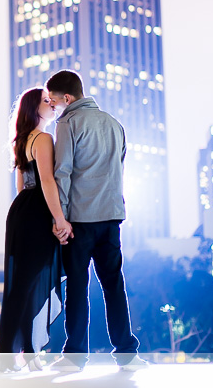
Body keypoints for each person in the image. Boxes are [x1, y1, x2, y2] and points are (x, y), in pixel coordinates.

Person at [46, 70, 148, 372]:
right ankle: (128, 354)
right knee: (114, 285)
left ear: (67, 98)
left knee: (77, 286)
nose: (54, 108)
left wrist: (59, 218)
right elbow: (119, 165)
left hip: (80, 219)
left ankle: (75, 357)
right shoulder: (115, 123)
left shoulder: (68, 123)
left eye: (54, 102)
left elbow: (62, 171)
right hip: (112, 216)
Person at [0, 87, 73, 372]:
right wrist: (59, 219)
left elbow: (20, 186)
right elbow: (47, 182)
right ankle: (9, 356)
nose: (52, 105)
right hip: (37, 211)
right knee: (25, 285)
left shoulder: (22, 140)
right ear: (34, 108)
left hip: (21, 212)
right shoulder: (44, 138)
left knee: (21, 286)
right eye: (46, 101)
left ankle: (21, 353)